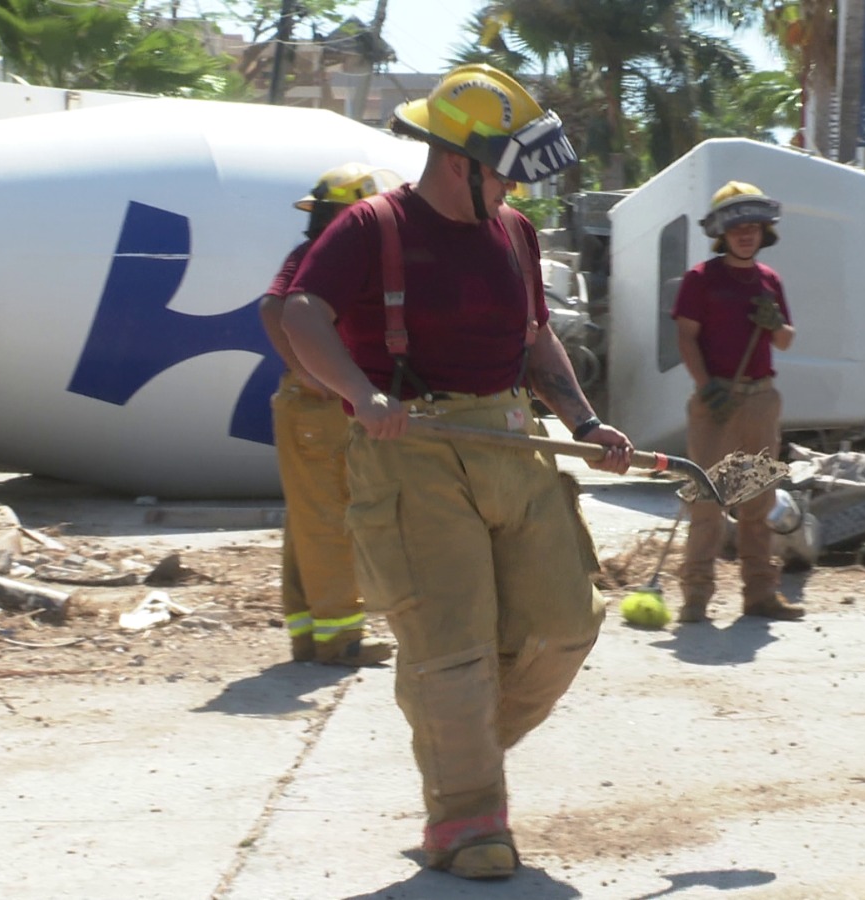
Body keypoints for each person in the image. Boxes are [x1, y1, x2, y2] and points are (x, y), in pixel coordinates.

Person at [278, 64, 633, 881]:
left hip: (516, 439)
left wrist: (584, 420)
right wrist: (361, 394)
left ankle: (453, 742)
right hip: (411, 451)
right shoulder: (373, 226)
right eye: (504, 167)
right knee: (453, 651)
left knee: (565, 623)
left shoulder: (513, 231)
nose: (514, 184)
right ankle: (466, 820)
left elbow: (538, 338)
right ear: (458, 159)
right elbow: (300, 312)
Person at [258, 163, 402, 667]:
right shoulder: (328, 258)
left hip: (305, 406)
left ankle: (310, 635)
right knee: (333, 521)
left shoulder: (308, 253)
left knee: (307, 521)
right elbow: (274, 310)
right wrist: (313, 376)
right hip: (318, 408)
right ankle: (342, 639)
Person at [672, 181, 804, 624]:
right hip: (716, 402)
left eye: (752, 227)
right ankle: (695, 597)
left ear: (764, 232)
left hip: (760, 400)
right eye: (736, 228)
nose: (745, 235)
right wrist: (706, 386)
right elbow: (686, 337)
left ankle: (760, 594)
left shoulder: (770, 282)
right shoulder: (700, 279)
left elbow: (785, 341)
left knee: (758, 502)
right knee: (707, 503)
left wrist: (773, 322)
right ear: (722, 234)